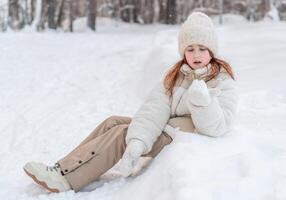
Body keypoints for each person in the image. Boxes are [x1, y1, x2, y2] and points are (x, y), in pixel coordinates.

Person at [23, 11, 238, 193]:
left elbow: (218, 127)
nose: (196, 54)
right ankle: (63, 167)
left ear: (212, 51)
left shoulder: (223, 81)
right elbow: (156, 108)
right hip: (165, 129)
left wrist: (203, 104)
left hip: (183, 137)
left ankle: (68, 181)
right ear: (183, 52)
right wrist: (139, 140)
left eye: (202, 48)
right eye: (190, 49)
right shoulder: (177, 75)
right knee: (114, 123)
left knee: (120, 135)